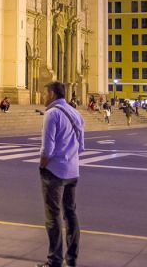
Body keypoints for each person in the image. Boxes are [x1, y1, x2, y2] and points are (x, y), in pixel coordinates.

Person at [37, 81, 84, 267]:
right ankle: (71, 259)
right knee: (70, 214)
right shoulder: (76, 113)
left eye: (45, 93)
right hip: (73, 171)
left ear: (53, 94)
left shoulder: (51, 114)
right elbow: (81, 146)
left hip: (54, 172)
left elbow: (47, 149)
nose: (43, 97)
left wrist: (42, 166)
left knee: (53, 216)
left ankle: (54, 260)